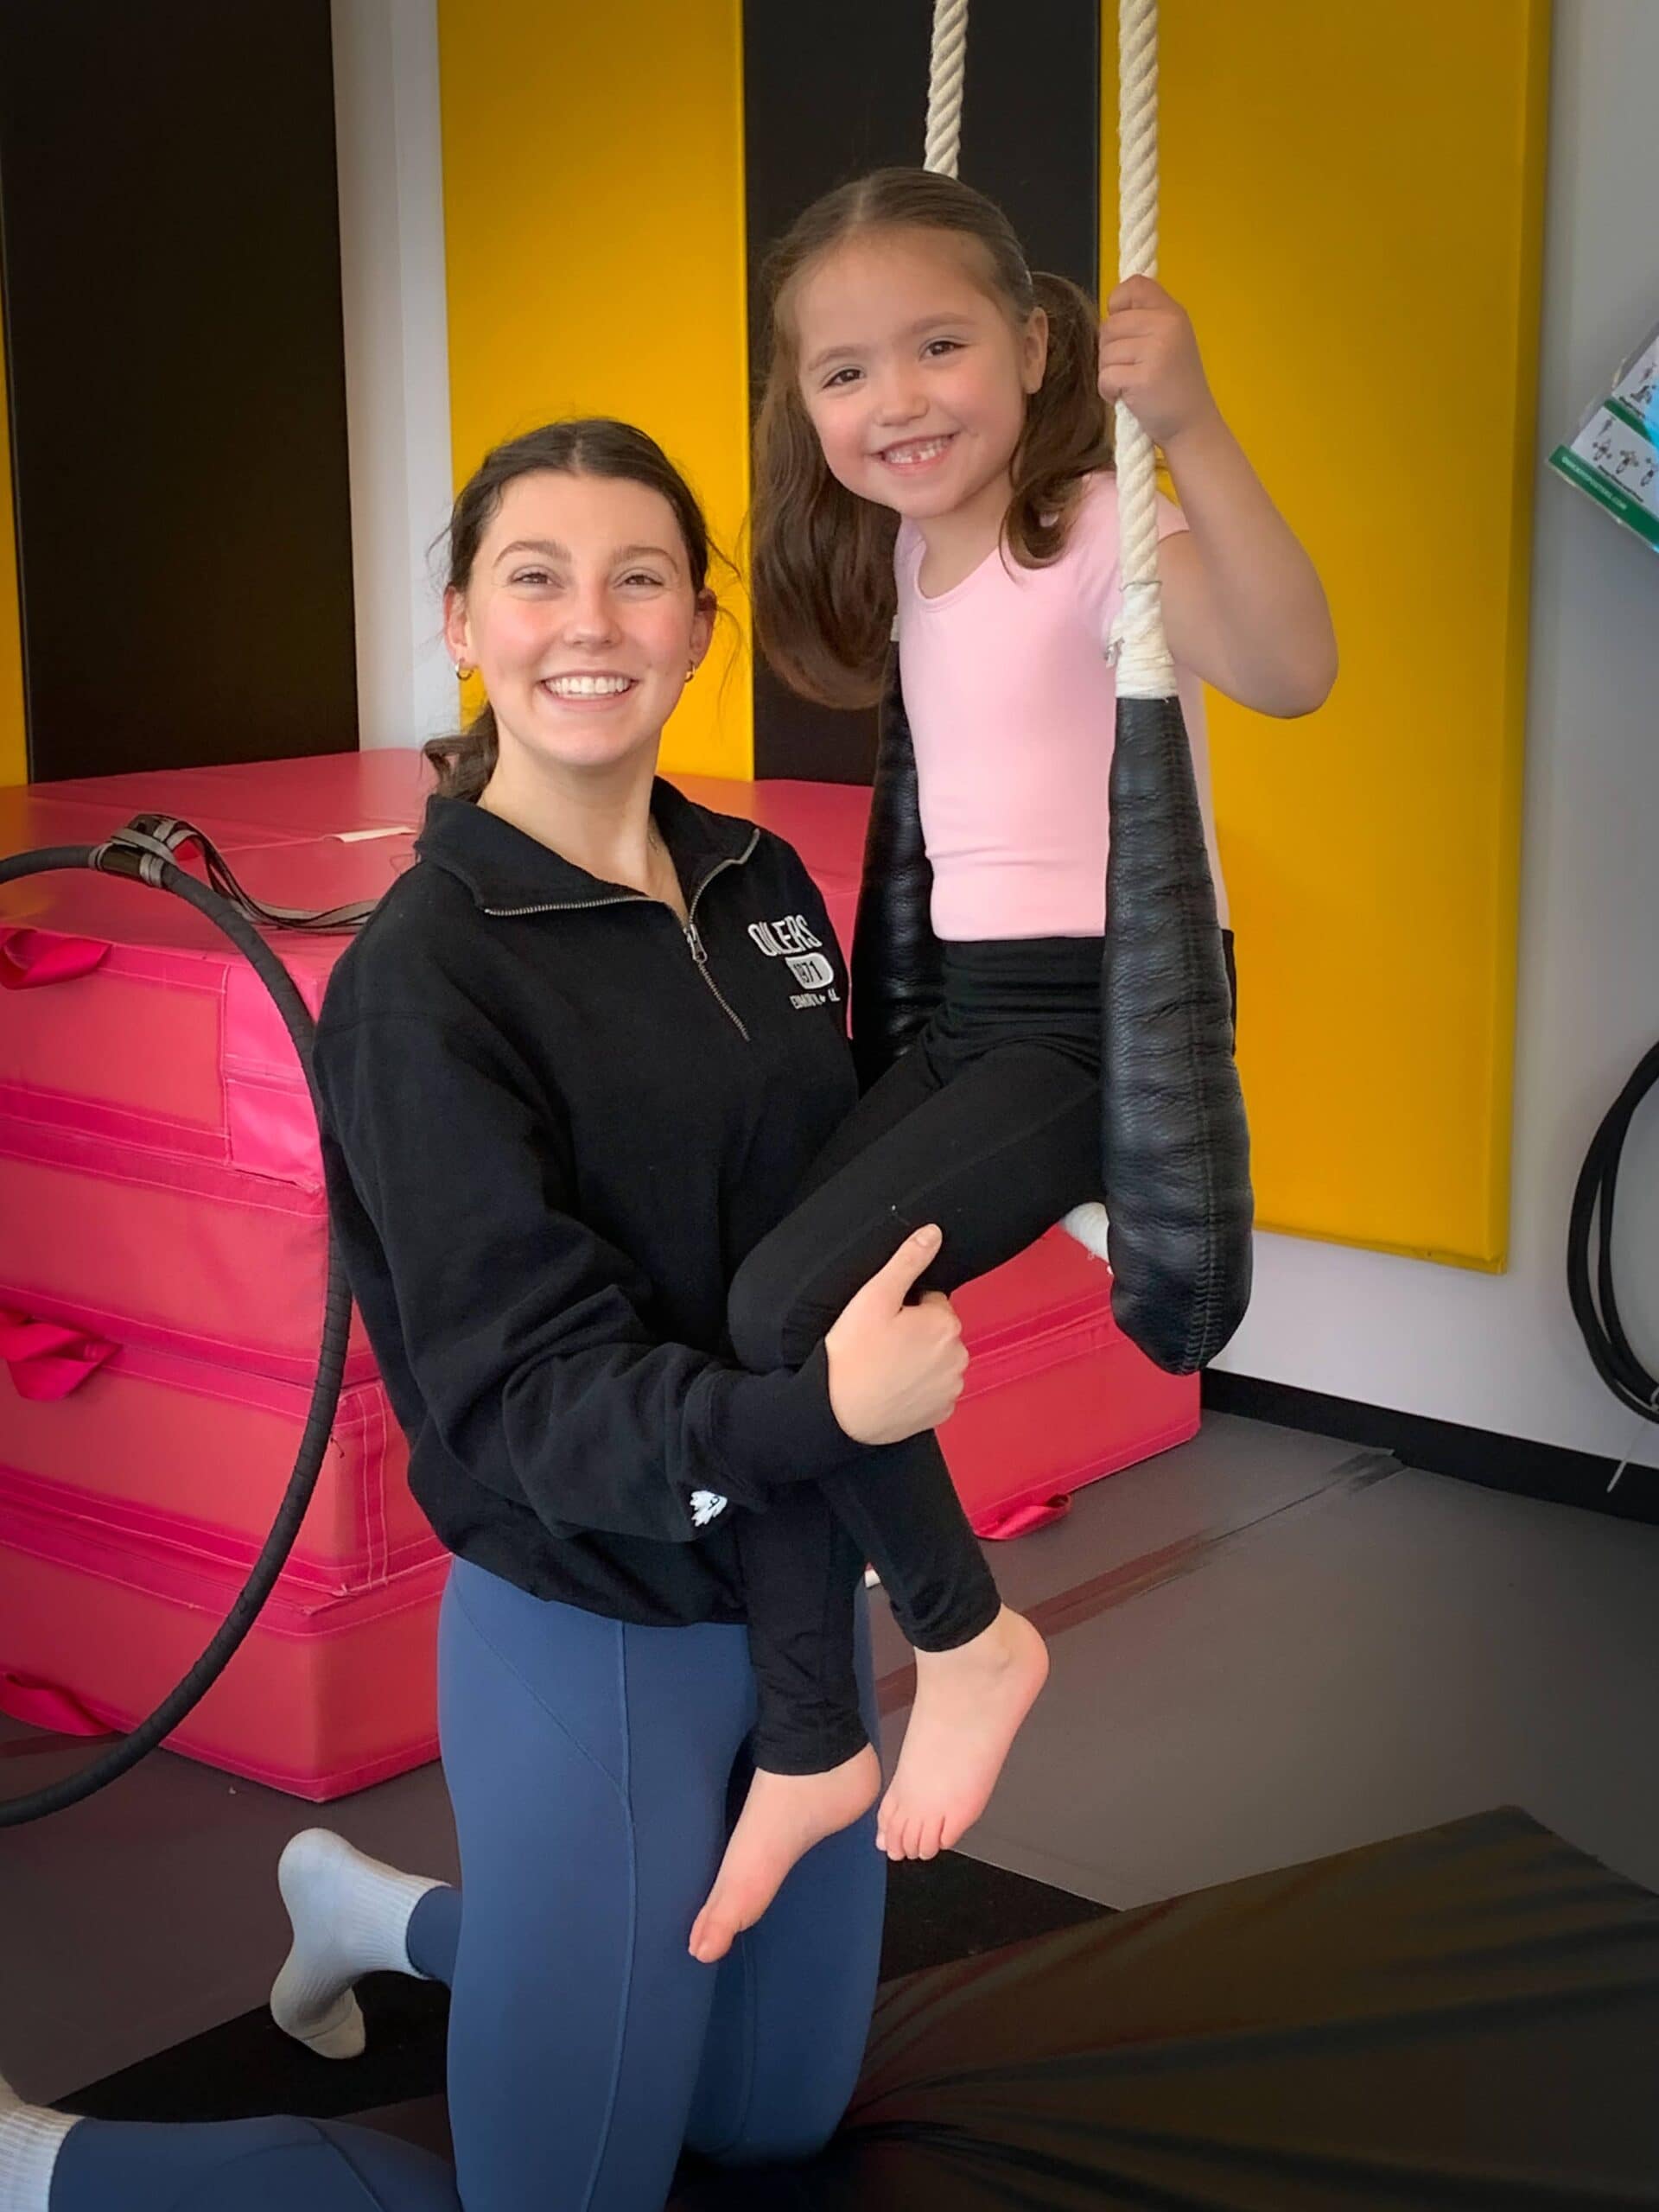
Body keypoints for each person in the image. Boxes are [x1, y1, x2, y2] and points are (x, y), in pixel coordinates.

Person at [0, 416, 974, 2212]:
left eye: (637, 576)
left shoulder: (761, 885)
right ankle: (51, 2161)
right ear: (465, 617)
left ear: (695, 622)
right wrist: (826, 1422)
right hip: (593, 1622)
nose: (585, 619)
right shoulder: (425, 978)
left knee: (769, 2126)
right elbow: (530, 1397)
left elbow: (824, 1217)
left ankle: (373, 1909)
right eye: (536, 576)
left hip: (797, 1599)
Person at [690, 167, 1337, 1963]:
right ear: (799, 400)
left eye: (940, 344)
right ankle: (815, 1732)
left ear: (1037, 344)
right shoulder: (910, 543)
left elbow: (1289, 663)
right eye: (843, 372)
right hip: (970, 1007)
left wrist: (1187, 426)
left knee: (793, 1306)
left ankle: (971, 1636)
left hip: (1091, 1016)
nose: (894, 399)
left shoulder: (1086, 520)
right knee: (760, 1304)